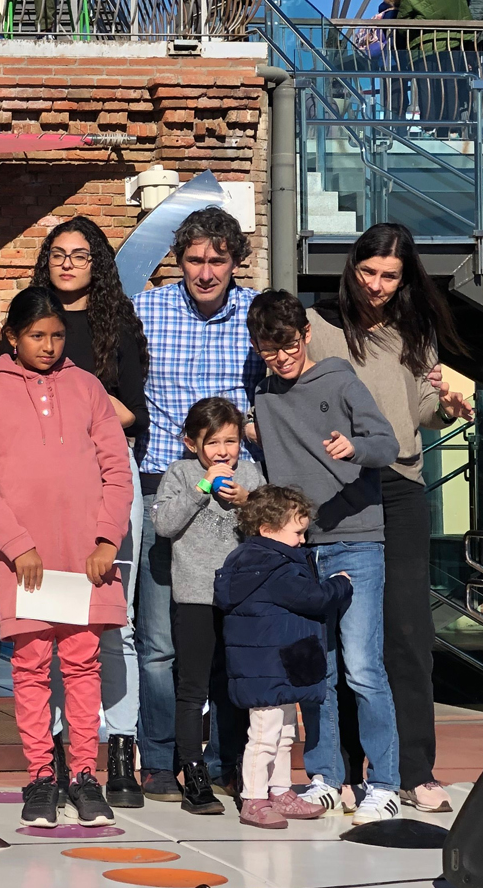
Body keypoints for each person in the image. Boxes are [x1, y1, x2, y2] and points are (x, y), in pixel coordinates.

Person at [307, 223, 473, 814]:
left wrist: (446, 407)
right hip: (339, 487)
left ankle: (414, 769)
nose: (376, 286)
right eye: (368, 272)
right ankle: (345, 769)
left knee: (407, 632)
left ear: (406, 280)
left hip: (400, 486)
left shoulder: (417, 328)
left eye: (390, 276)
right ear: (352, 267)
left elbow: (421, 410)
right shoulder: (319, 325)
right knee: (348, 631)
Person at [0, 216, 150, 808]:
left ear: (96, 262)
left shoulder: (113, 327)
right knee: (38, 644)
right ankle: (49, 760)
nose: (66, 263)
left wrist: (84, 406)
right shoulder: (10, 350)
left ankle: (114, 754)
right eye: (57, 253)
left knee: (111, 631)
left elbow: (131, 410)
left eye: (79, 254)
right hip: (34, 512)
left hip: (99, 493)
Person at [0, 285, 132, 831]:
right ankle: (40, 775)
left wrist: (107, 540)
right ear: (12, 336)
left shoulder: (86, 388)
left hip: (85, 559)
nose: (49, 345)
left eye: (57, 335)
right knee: (31, 667)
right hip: (25, 561)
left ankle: (84, 774)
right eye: (37, 335)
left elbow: (116, 468)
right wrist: (17, 547)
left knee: (84, 664)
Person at [247, 290, 403, 825]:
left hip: (355, 538)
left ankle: (384, 783)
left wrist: (354, 449)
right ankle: (325, 778)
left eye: (287, 345)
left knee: (362, 668)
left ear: (306, 335)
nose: (281, 358)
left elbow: (389, 443)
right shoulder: (263, 396)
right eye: (269, 350)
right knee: (317, 670)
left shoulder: (339, 380)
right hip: (297, 549)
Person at [132, 206, 263, 802]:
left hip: (234, 491)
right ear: (177, 261)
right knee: (159, 638)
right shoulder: (148, 309)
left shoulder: (255, 315)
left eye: (217, 260)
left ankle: (228, 759)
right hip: (164, 482)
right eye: (194, 260)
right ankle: (160, 760)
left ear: (235, 262)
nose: (205, 272)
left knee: (228, 636)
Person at [214, 485, 351, 829]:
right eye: (298, 531)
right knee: (266, 733)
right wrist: (340, 584)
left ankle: (280, 790)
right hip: (269, 666)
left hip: (281, 663)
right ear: (267, 530)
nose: (304, 540)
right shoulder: (273, 565)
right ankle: (255, 798)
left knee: (286, 730)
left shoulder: (264, 560)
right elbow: (313, 598)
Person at [150, 397, 261, 816]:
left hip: (239, 597)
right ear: (191, 443)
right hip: (195, 596)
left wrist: (248, 500)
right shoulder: (180, 474)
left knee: (231, 686)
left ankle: (226, 766)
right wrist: (201, 489)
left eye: (230, 441)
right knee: (192, 687)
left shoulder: (249, 474)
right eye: (212, 442)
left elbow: (271, 524)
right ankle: (192, 773)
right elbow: (163, 524)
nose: (222, 451)